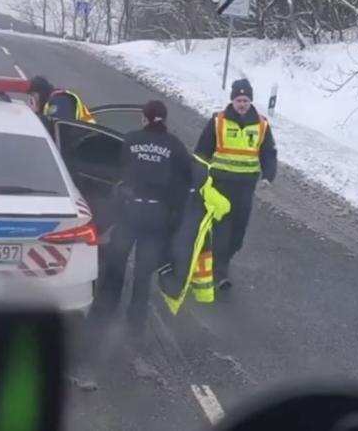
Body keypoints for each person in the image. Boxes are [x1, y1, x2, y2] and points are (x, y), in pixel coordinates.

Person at [93, 100, 192, 339]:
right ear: (164, 120)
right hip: (156, 217)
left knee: (116, 265)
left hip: (129, 212)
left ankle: (103, 315)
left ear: (143, 118)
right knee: (143, 273)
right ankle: (135, 324)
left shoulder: (131, 140)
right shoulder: (175, 145)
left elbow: (118, 170)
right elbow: (185, 182)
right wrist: (175, 216)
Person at [194, 78, 278, 290]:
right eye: (239, 100)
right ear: (232, 100)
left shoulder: (261, 124)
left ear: (251, 101)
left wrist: (268, 175)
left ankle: (222, 261)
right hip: (220, 186)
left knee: (238, 235)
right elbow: (202, 151)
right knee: (221, 231)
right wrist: (199, 175)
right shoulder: (218, 121)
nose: (242, 104)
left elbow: (268, 152)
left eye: (246, 100)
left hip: (245, 187)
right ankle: (219, 271)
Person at [26, 75, 96, 124]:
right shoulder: (49, 102)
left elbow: (60, 127)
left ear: (39, 93)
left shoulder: (60, 100)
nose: (32, 99)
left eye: (32, 95)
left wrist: (36, 113)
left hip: (87, 138)